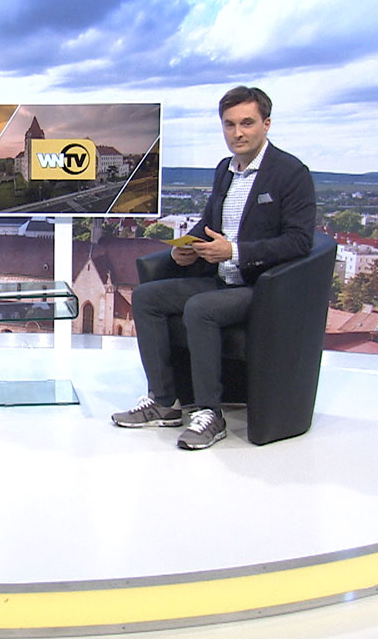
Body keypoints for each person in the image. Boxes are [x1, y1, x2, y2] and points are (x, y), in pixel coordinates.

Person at [112, 87, 315, 450]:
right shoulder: (225, 170)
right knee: (145, 298)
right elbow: (209, 222)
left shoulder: (291, 173)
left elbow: (299, 242)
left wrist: (235, 251)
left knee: (200, 308)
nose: (237, 133)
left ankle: (210, 414)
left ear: (266, 124)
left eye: (247, 123)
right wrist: (187, 248)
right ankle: (164, 401)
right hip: (220, 279)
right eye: (229, 125)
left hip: (262, 288)